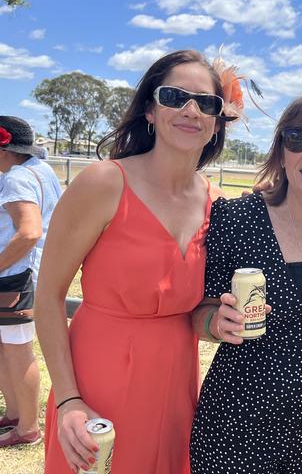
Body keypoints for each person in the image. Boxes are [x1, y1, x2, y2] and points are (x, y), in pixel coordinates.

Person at [35, 50, 231, 473]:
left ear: (216, 122)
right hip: (96, 380)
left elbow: (203, 308)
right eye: (174, 96)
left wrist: (220, 321)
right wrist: (68, 398)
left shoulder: (218, 205)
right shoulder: (105, 183)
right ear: (149, 108)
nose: (191, 109)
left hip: (176, 384)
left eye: (206, 102)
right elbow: (48, 295)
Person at [189, 81, 302, 474]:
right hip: (237, 427)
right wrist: (215, 322)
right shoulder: (237, 219)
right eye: (298, 139)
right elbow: (198, 311)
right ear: (281, 150)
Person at [0, 116, 61, 448]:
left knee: (17, 350)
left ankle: (26, 428)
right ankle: (15, 414)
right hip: (28, 272)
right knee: (9, 348)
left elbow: (29, 231)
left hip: (15, 276)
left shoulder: (17, 178)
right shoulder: (41, 170)